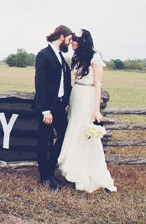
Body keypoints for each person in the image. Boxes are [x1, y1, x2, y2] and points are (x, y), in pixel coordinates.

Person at [58, 29, 116, 193]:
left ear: (84, 41)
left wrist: (97, 110)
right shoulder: (76, 57)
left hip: (87, 97)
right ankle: (73, 168)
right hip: (76, 95)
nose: (72, 41)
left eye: (75, 39)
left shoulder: (95, 57)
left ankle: (87, 173)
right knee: (74, 128)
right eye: (72, 38)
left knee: (84, 132)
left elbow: (98, 84)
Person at [34, 25, 73, 190]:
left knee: (64, 136)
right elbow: (40, 83)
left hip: (59, 107)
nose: (70, 44)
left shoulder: (61, 57)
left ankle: (51, 170)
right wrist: (45, 110)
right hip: (48, 108)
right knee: (44, 140)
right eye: (69, 40)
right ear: (62, 37)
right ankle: (44, 176)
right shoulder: (44, 54)